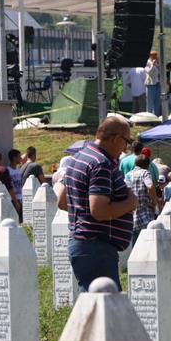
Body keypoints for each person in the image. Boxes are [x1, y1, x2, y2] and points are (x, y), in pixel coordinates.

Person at [56, 116, 136, 291]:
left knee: (96, 306)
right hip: (96, 247)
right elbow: (99, 210)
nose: (126, 148)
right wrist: (130, 203)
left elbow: (62, 201)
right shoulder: (101, 163)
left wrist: (83, 212)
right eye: (127, 141)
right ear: (116, 138)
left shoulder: (79, 157)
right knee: (104, 310)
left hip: (83, 244)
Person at [128, 155, 156, 245]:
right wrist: (153, 202)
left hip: (132, 215)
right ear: (148, 165)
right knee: (147, 245)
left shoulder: (128, 174)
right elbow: (150, 186)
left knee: (136, 246)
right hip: (145, 214)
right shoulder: (145, 173)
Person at [144, 50, 161, 116]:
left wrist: (158, 64)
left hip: (157, 84)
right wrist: (153, 66)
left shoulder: (157, 63)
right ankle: (149, 117)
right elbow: (149, 72)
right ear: (150, 56)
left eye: (156, 55)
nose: (155, 57)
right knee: (150, 103)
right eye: (153, 55)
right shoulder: (147, 63)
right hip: (150, 84)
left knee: (157, 102)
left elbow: (160, 73)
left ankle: (156, 116)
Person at [7, 149, 23, 214]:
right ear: (14, 158)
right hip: (13, 200)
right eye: (19, 156)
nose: (21, 158)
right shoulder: (7, 171)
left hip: (21, 198)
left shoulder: (18, 169)